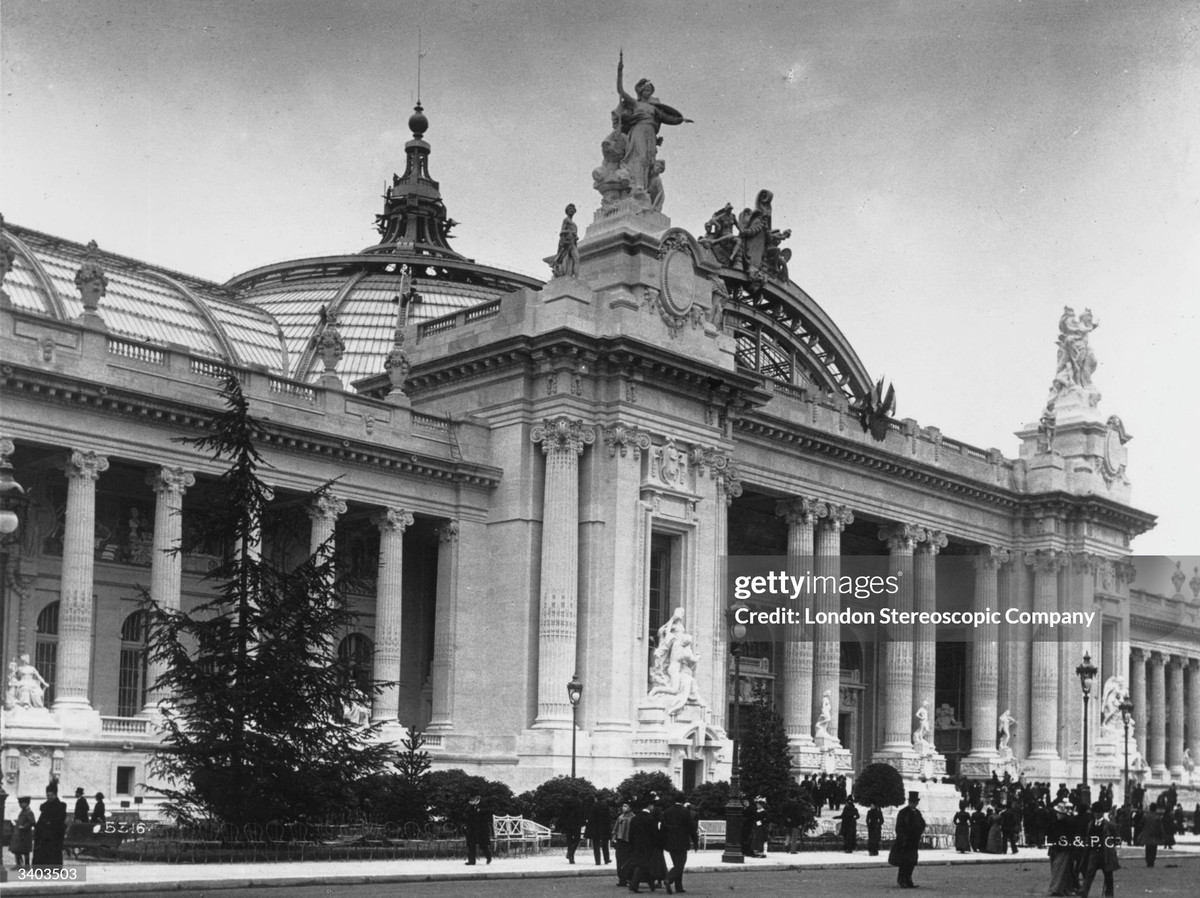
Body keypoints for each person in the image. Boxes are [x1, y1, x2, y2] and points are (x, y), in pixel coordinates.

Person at [615, 51, 692, 194]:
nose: (647, 91)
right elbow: (621, 91)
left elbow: (666, 117)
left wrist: (681, 120)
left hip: (650, 131)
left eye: (649, 90)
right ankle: (638, 185)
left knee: (649, 160)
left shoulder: (653, 108)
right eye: (645, 89)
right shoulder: (635, 104)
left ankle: (644, 187)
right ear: (640, 90)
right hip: (639, 130)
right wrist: (620, 72)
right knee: (640, 156)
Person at [1079, 803, 1120, 898]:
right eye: (1095, 812)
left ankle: (1109, 894)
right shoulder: (1091, 824)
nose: (1096, 814)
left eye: (1098, 812)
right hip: (1093, 853)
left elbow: (1116, 838)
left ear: (1102, 813)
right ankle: (1084, 892)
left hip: (1105, 853)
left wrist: (1110, 846)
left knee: (1108, 874)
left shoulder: (1109, 825)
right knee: (1089, 873)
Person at [889, 791, 925, 888]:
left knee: (912, 861)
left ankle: (909, 879)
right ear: (909, 802)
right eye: (911, 802)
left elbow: (922, 824)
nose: (913, 804)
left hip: (914, 841)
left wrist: (918, 834)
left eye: (914, 802)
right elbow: (899, 827)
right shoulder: (903, 812)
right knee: (904, 861)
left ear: (917, 803)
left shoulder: (918, 813)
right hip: (904, 842)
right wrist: (904, 838)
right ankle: (902, 880)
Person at [661, 797, 697, 894]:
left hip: (670, 842)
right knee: (680, 864)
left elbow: (663, 828)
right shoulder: (685, 812)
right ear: (683, 801)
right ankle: (669, 879)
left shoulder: (667, 811)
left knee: (676, 863)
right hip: (682, 841)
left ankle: (679, 886)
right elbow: (691, 828)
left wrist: (663, 842)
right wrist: (695, 841)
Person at [626, 799, 660, 894]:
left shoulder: (635, 818)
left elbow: (631, 834)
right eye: (652, 805)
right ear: (649, 805)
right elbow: (654, 834)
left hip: (637, 845)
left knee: (644, 865)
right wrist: (656, 845)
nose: (653, 807)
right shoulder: (651, 818)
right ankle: (634, 884)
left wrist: (631, 845)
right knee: (643, 865)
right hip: (648, 846)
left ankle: (651, 885)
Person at [32, 782, 67, 867]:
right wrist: (37, 826)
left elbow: (61, 818)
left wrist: (50, 823)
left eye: (51, 795)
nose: (49, 797)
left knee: (54, 851)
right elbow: (41, 818)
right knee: (42, 850)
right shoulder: (44, 805)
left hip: (55, 833)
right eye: (48, 795)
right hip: (44, 832)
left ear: (55, 795)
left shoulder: (61, 806)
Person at [1047, 800, 1075, 896]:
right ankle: (1061, 888)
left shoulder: (1068, 823)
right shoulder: (1054, 823)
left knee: (1060, 869)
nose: (1059, 815)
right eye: (1058, 813)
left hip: (1063, 849)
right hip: (1055, 848)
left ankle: (1057, 888)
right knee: (1057, 869)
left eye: (1061, 813)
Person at [551, 204, 580, 279]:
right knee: (566, 258)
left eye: (573, 209)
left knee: (576, 259)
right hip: (567, 242)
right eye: (570, 209)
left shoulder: (571, 222)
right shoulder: (566, 220)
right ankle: (566, 274)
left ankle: (576, 277)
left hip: (572, 242)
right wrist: (570, 232)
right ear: (567, 211)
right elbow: (562, 232)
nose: (572, 210)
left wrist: (575, 236)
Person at [464, 794, 492, 866]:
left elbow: (489, 811)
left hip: (481, 828)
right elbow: (468, 814)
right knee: (471, 844)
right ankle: (471, 861)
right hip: (472, 828)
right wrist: (472, 806)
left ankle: (488, 856)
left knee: (483, 844)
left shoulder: (483, 804)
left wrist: (480, 810)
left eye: (473, 798)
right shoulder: (470, 806)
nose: (472, 800)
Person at [613, 800, 635, 888]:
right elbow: (615, 830)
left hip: (628, 842)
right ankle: (622, 879)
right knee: (619, 860)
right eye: (623, 806)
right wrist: (613, 839)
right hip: (620, 841)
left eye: (626, 806)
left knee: (627, 861)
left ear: (630, 807)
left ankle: (628, 878)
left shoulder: (633, 817)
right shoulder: (620, 817)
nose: (623, 808)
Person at [1136, 799, 1164, 867]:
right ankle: (1152, 860)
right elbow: (1160, 827)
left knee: (1148, 847)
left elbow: (1141, 824)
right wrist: (1161, 835)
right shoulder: (1157, 817)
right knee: (1153, 848)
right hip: (1154, 834)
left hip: (1147, 833)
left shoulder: (1145, 816)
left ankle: (1148, 859)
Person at [586, 796, 612, 866]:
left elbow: (591, 819)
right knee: (605, 844)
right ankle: (606, 859)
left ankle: (598, 861)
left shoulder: (593, 807)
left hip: (596, 828)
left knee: (596, 845)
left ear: (596, 799)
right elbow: (609, 818)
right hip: (604, 828)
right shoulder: (606, 806)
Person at [558, 791, 583, 864]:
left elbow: (562, 813)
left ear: (570, 794)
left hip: (567, 823)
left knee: (569, 840)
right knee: (577, 839)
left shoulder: (566, 802)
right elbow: (582, 813)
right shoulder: (580, 802)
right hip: (576, 823)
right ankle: (570, 853)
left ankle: (571, 857)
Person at [10, 796, 34, 867]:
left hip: (25, 835)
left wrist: (24, 826)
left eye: (21, 803)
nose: (20, 805)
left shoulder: (29, 812)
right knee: (17, 850)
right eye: (19, 803)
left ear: (27, 803)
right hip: (20, 835)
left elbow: (32, 822)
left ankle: (27, 866)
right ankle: (18, 865)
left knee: (25, 851)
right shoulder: (23, 811)